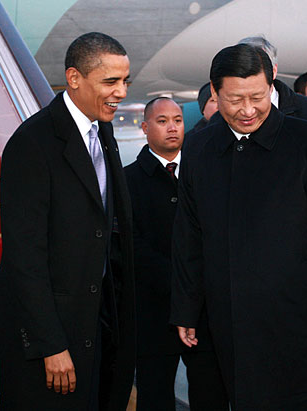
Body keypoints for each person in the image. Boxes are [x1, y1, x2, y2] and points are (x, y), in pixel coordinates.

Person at [170, 44, 307, 410]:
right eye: (235, 100)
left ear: (271, 86)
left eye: (258, 97)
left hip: (299, 319)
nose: (248, 110)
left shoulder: (306, 139)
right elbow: (189, 234)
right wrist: (186, 308)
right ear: (214, 92)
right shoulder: (200, 148)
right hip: (231, 321)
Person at [0, 32, 135, 410]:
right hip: (55, 331)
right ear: (74, 78)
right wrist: (50, 344)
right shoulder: (32, 143)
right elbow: (24, 257)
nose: (121, 92)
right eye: (110, 81)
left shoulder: (102, 130)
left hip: (98, 321)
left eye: (125, 81)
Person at [124, 97, 228, 410]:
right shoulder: (127, 180)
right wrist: (181, 280)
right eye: (162, 121)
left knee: (210, 393)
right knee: (155, 395)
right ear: (145, 128)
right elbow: (130, 245)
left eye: (178, 120)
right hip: (154, 311)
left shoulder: (205, 173)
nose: (172, 127)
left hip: (205, 309)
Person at [237, 36, 307, 133]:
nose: (248, 75)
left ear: (274, 71)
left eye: (257, 69)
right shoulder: (228, 110)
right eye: (242, 68)